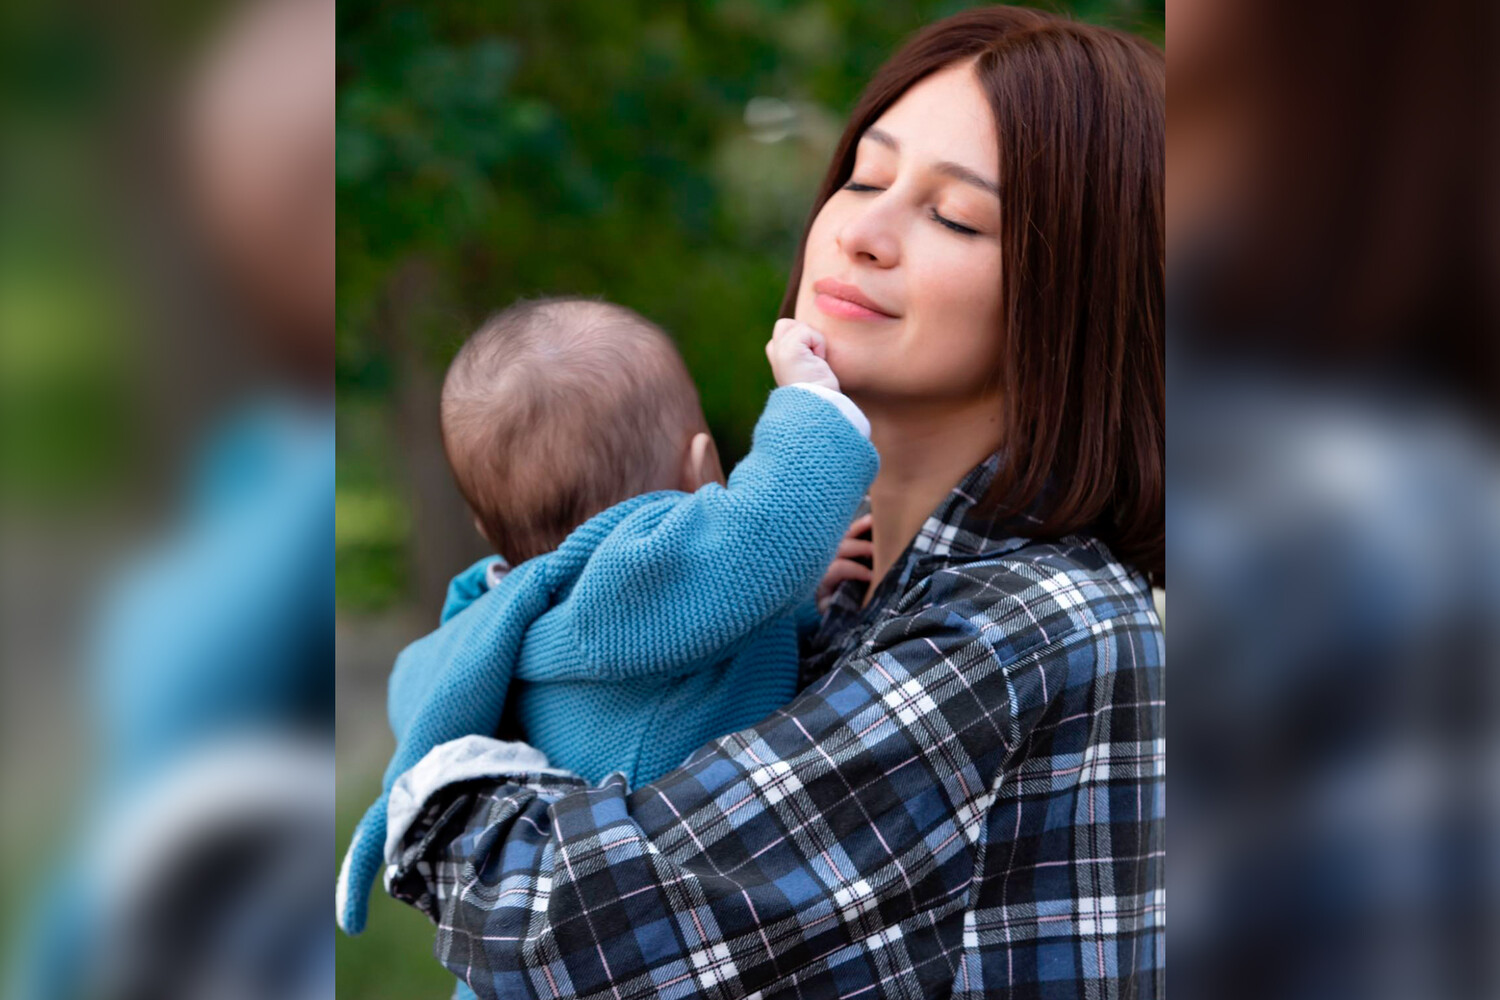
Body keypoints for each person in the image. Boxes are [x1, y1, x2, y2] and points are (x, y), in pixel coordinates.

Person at [384, 7, 1164, 998]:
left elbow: (565, 928)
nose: (865, 231)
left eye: (955, 215)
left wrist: (438, 775)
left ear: (1078, 303)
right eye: (865, 176)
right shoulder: (852, 596)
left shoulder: (1030, 624)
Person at [336, 298, 880, 936]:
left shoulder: (520, 623)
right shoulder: (629, 586)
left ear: (485, 528)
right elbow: (759, 536)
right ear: (702, 466)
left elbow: (707, 618)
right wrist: (813, 407)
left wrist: (802, 591)